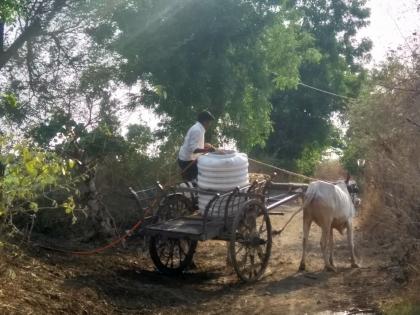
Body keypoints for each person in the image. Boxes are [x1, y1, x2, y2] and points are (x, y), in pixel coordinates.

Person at [178, 110, 215, 182]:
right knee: (195, 181)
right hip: (187, 161)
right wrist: (208, 150)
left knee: (193, 181)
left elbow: (193, 144)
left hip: (187, 159)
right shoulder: (197, 130)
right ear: (205, 121)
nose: (209, 124)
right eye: (209, 122)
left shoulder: (198, 128)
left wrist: (205, 145)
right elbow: (194, 149)